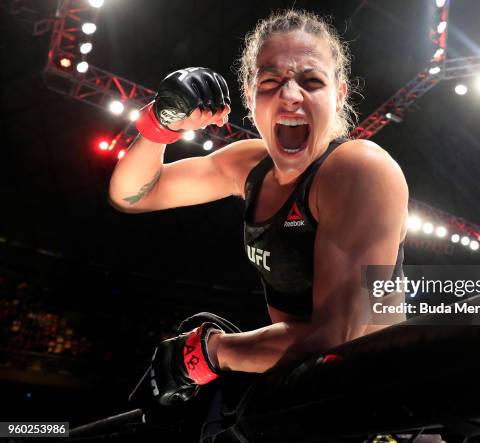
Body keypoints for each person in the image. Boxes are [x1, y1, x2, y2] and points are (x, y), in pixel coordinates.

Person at [108, 9, 408, 404]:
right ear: (249, 96)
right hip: (301, 391)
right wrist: (160, 124)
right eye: (271, 81)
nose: (290, 95)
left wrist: (210, 352)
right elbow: (134, 194)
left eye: (312, 81)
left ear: (340, 96)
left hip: (380, 402)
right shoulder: (247, 165)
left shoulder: (359, 170)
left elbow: (336, 336)